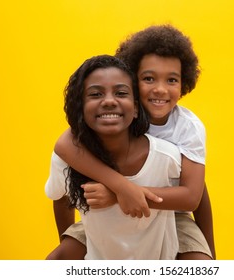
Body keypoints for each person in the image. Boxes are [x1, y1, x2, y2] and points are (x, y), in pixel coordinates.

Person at [49, 24, 215, 260]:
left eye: (172, 80)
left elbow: (195, 195)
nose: (160, 89)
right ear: (132, 80)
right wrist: (121, 187)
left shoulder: (187, 128)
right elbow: (65, 144)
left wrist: (118, 194)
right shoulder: (118, 115)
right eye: (148, 78)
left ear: (184, 83)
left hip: (171, 214)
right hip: (108, 215)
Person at [45, 55, 181, 259]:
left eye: (120, 93)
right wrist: (68, 245)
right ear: (80, 107)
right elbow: (61, 198)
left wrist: (117, 193)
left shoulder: (165, 155)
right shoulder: (67, 158)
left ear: (136, 108)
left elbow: (195, 193)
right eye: (96, 94)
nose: (109, 101)